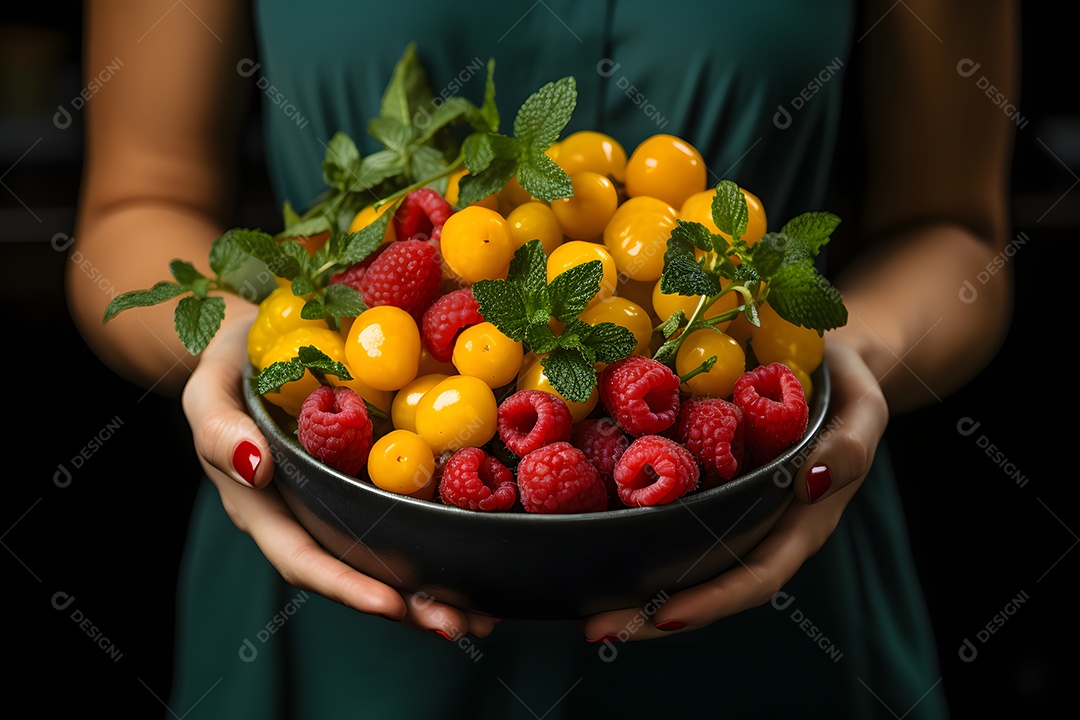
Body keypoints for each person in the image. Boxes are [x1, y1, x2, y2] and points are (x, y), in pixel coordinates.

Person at [67, 1, 1016, 717]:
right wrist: (237, 357)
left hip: (770, 577)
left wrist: (854, 356)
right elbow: (127, 210)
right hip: (328, 594)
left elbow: (957, 230)